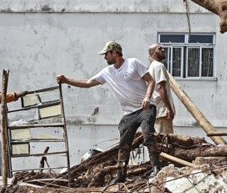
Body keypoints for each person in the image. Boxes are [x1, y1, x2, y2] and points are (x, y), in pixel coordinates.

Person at [56, 41, 162, 183]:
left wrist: (148, 98)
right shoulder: (108, 72)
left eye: (106, 54)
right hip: (129, 113)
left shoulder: (133, 63)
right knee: (124, 143)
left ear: (114, 53)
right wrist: (66, 80)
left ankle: (156, 167)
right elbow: (88, 83)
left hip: (145, 108)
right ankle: (121, 175)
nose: (105, 57)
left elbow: (150, 81)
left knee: (147, 134)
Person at [145, 43, 176, 135]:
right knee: (165, 142)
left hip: (155, 110)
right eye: (159, 48)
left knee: (158, 140)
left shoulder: (151, 67)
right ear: (153, 53)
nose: (163, 50)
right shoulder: (159, 66)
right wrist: (169, 108)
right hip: (162, 111)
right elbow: (161, 87)